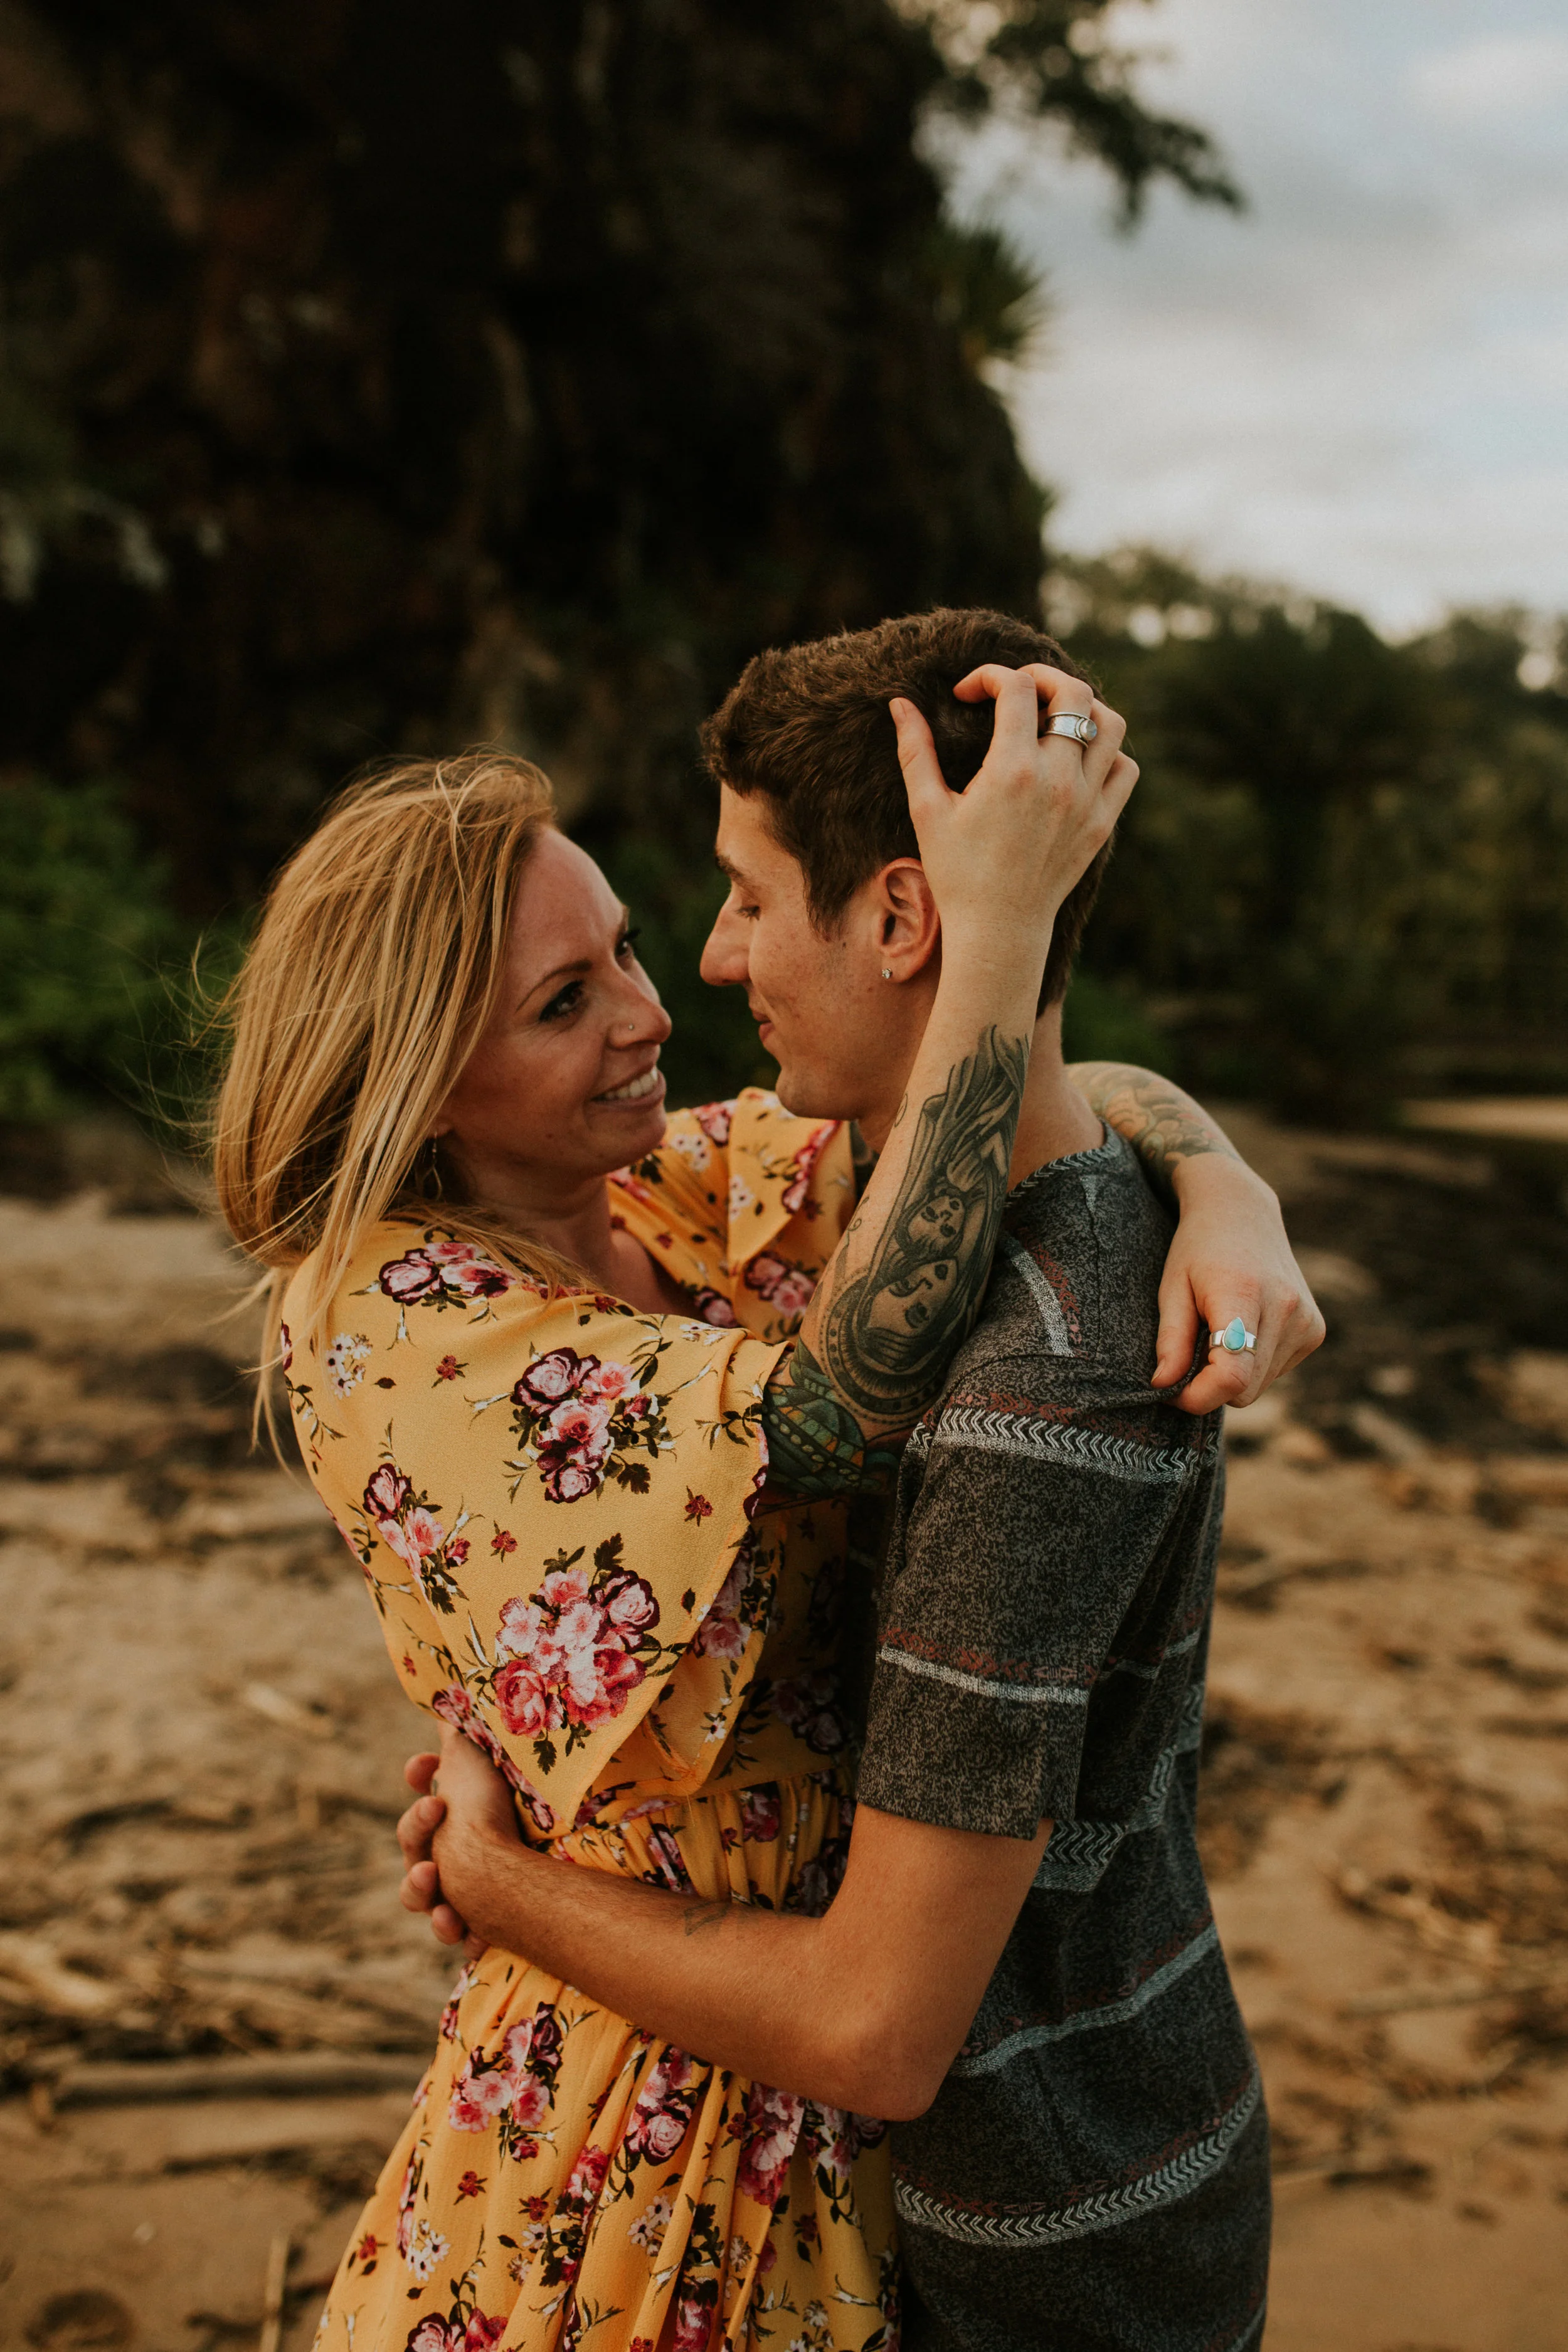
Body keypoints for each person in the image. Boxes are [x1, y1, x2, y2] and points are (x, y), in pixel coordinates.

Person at [393, 610, 1325, 2352]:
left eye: (746, 895)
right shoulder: (976, 1205)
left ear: (904, 918)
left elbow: (878, 2027)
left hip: (1047, 2242)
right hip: (1093, 2132)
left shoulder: (1028, 1378)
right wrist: (1218, 1174)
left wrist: (493, 1870)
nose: (712, 962)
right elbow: (1060, 1090)